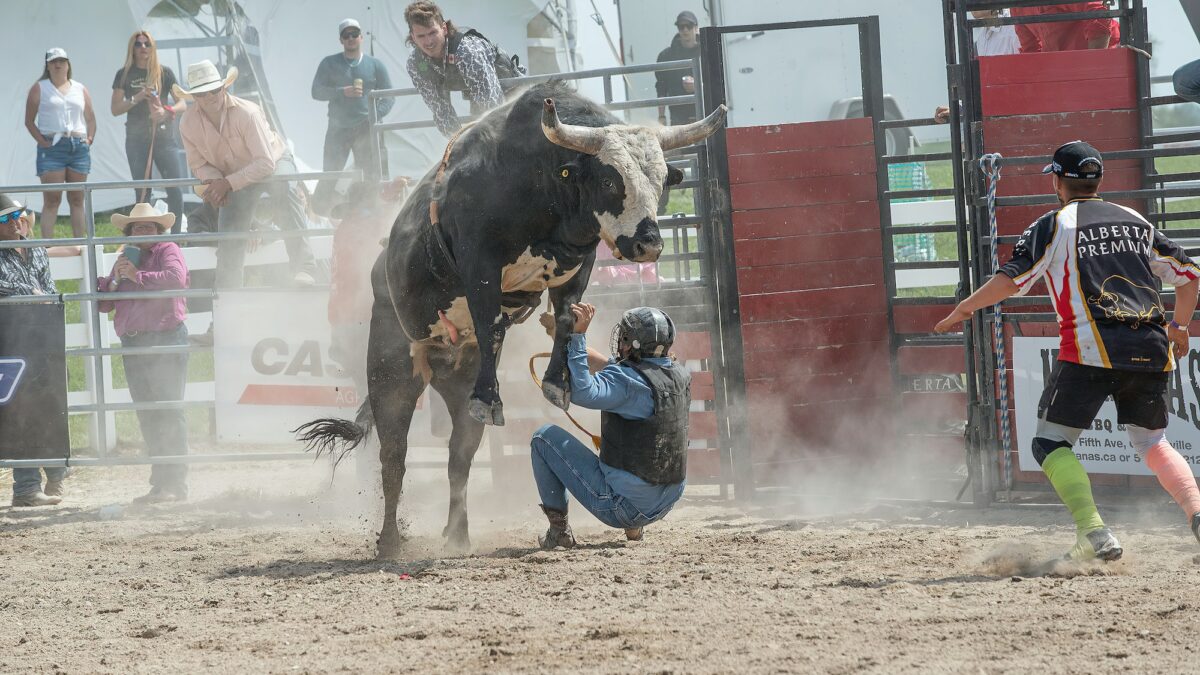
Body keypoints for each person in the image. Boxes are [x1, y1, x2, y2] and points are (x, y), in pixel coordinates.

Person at [935, 140, 1200, 561]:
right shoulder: (1135, 220)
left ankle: (1094, 532)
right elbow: (1188, 275)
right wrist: (1180, 327)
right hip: (1151, 346)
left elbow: (1012, 279)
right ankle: (1196, 513)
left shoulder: (1055, 224)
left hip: (1092, 349)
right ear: (1098, 180)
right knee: (1152, 441)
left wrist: (964, 308)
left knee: (1050, 443)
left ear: (1058, 180)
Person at [530, 303, 691, 549]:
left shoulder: (626, 381)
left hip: (623, 507)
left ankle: (559, 532)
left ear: (632, 343)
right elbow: (608, 367)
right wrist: (563, 337)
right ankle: (635, 528)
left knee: (543, 438)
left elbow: (583, 393)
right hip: (667, 501)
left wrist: (578, 335)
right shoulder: (677, 375)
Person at [174, 60, 317, 288]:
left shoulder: (246, 113)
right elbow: (199, 164)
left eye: (214, 90)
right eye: (202, 93)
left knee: (283, 186)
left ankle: (306, 268)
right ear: (195, 97)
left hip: (274, 160)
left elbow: (266, 163)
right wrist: (215, 181)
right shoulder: (187, 123)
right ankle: (229, 297)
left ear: (224, 88)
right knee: (229, 230)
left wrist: (225, 183)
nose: (210, 96)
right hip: (234, 176)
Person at [97, 203, 191, 503]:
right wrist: (115, 280)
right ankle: (161, 481)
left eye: (149, 227)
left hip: (164, 338)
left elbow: (176, 278)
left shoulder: (167, 249)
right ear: (130, 232)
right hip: (135, 342)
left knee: (168, 410)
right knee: (149, 412)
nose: (143, 232)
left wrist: (138, 276)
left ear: (158, 230)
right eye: (137, 228)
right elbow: (103, 304)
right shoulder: (125, 258)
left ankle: (174, 483)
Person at [0, 194, 68, 507]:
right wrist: (35, 294)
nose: (15, 222)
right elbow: (11, 288)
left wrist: (38, 296)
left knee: (50, 403)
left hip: (41, 336)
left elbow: (49, 290)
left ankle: (55, 476)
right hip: (11, 341)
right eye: (5, 219)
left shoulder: (36, 249)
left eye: (18, 215)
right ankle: (26, 487)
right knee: (21, 409)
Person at [310, 18, 395, 215]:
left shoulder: (375, 65)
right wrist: (341, 91)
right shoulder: (329, 63)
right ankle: (321, 215)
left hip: (368, 128)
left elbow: (389, 96)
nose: (350, 38)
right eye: (346, 35)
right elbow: (316, 92)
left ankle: (373, 216)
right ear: (341, 39)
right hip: (339, 128)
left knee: (373, 175)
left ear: (361, 37)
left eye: (354, 34)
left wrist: (374, 116)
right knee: (331, 174)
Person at [404, 1, 523, 137]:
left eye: (432, 33)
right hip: (478, 96)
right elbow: (440, 110)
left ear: (444, 28)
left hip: (510, 92)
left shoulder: (466, 52)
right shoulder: (416, 64)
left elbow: (492, 104)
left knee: (516, 137)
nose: (429, 42)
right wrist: (457, 143)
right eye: (421, 36)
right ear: (413, 36)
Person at [111, 31, 188, 231]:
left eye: (147, 44)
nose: (143, 47)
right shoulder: (124, 74)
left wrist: (167, 110)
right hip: (136, 139)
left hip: (164, 137)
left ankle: (176, 238)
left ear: (153, 48)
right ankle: (145, 236)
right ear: (132, 48)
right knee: (143, 192)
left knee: (175, 188)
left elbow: (182, 103)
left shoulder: (164, 72)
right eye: (138, 44)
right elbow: (115, 109)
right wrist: (137, 97)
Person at [24, 48, 96, 239]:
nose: (58, 65)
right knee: (52, 199)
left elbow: (91, 118)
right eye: (53, 61)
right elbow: (29, 120)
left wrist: (88, 140)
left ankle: (80, 244)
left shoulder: (79, 88)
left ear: (68, 64)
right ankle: (47, 248)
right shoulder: (40, 87)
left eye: (62, 61)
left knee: (77, 198)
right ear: (47, 65)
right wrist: (42, 141)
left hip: (78, 144)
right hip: (52, 145)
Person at [1011, 2, 1119, 54]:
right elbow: (1031, 51)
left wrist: (1092, 70)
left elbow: (1099, 18)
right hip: (1062, 72)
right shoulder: (1016, 7)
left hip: (1105, 64)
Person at [655, 11, 701, 127]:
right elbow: (661, 87)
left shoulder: (706, 52)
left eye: (689, 26)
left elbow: (715, 82)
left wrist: (697, 85)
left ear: (696, 28)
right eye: (681, 26)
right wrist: (661, 116)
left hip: (703, 113)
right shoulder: (666, 56)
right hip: (677, 116)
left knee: (704, 145)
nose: (685, 30)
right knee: (681, 145)